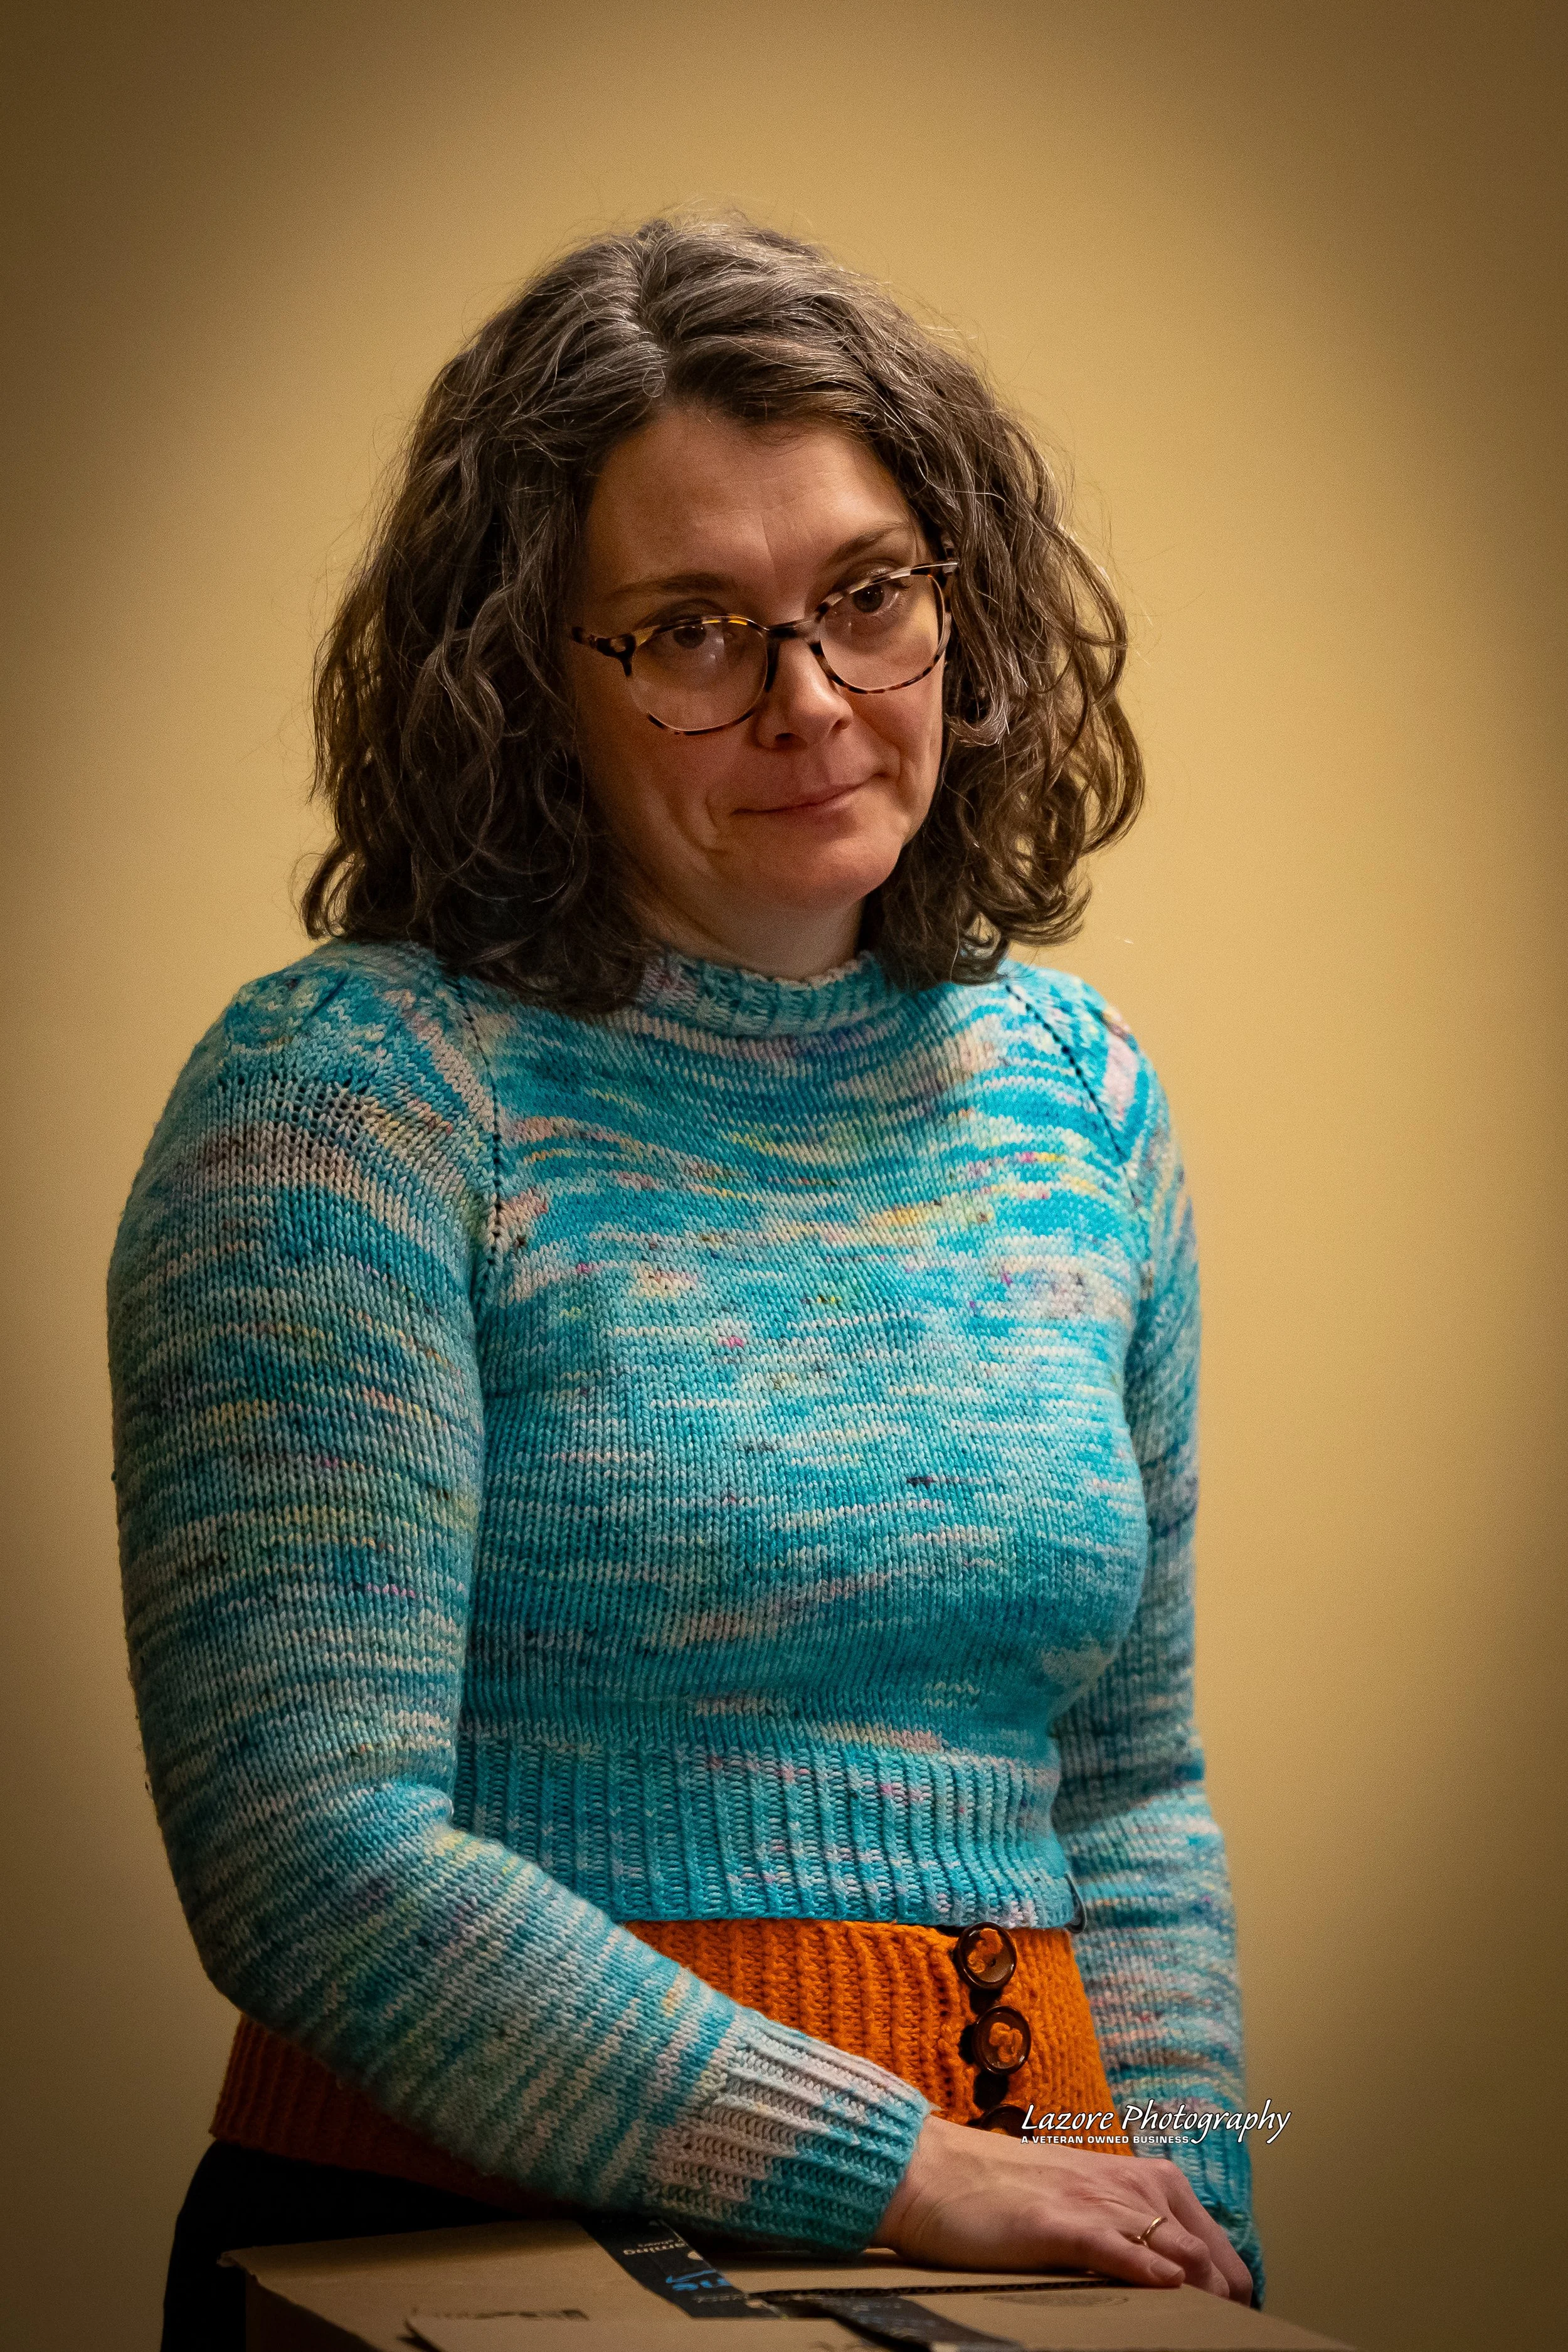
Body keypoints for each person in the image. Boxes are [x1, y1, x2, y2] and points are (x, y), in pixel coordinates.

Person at [107, 215, 1261, 2350]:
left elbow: (1126, 1780)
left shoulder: (1082, 1103)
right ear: (527, 681)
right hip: (459, 2250)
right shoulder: (349, 1092)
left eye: (866, 597)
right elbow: (303, 1839)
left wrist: (1188, 2215)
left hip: (1031, 2252)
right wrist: (901, 2166)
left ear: (962, 606)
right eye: (691, 629)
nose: (809, 695)